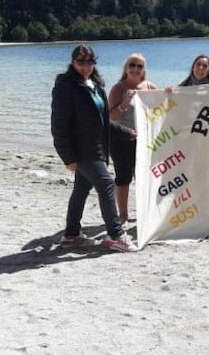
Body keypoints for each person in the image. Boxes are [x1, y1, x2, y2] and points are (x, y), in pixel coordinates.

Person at [50, 44, 137, 253]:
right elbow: (58, 125)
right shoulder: (65, 86)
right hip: (82, 150)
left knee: (81, 190)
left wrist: (127, 133)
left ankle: (71, 235)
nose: (85, 66)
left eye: (89, 62)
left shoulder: (96, 86)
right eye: (81, 62)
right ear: (73, 63)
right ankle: (116, 235)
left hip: (97, 148)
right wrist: (67, 156)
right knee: (107, 184)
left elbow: (103, 123)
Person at [108, 53, 157, 229]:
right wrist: (125, 103)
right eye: (132, 65)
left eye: (139, 66)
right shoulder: (118, 88)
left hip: (145, 141)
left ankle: (146, 212)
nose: (136, 69)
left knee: (145, 177)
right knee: (123, 177)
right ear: (126, 68)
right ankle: (123, 216)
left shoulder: (150, 87)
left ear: (144, 69)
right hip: (121, 139)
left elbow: (162, 110)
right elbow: (110, 117)